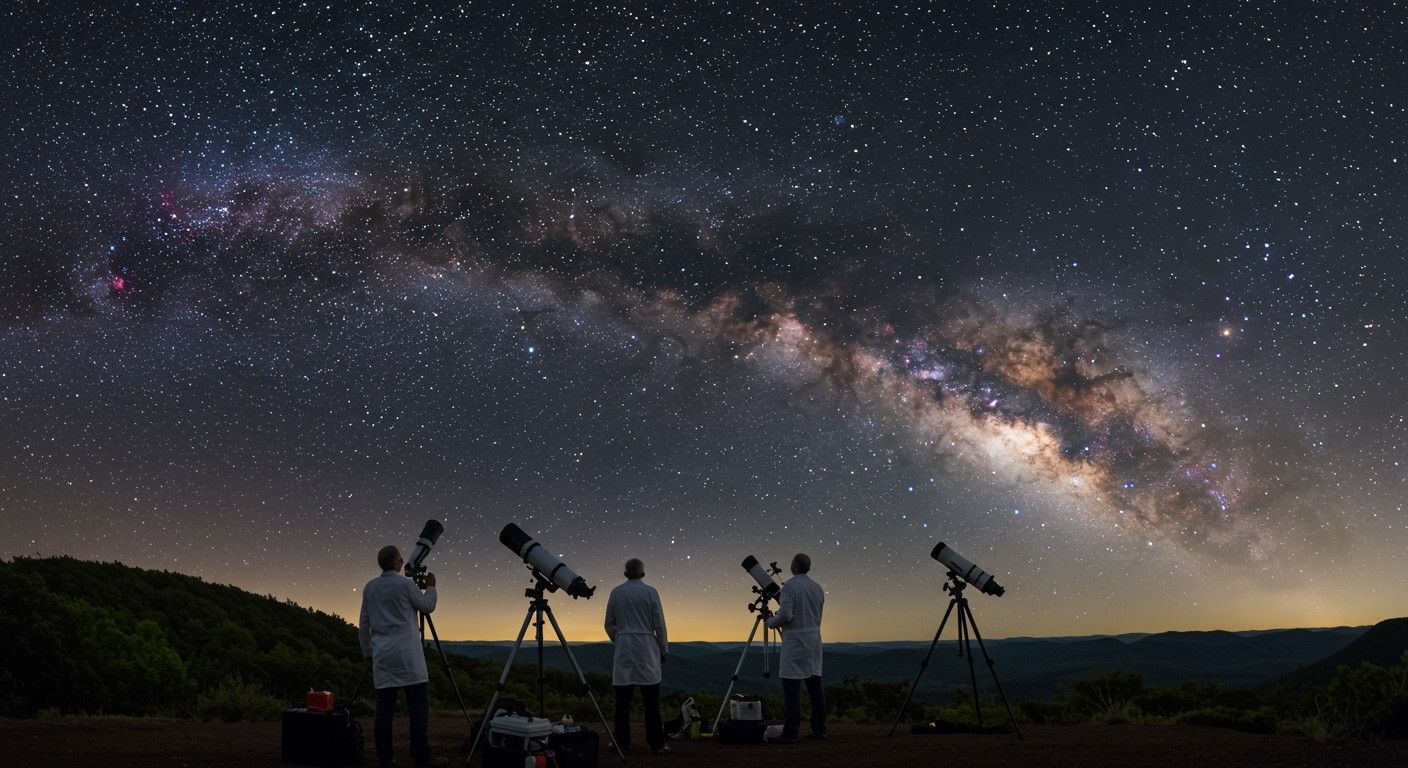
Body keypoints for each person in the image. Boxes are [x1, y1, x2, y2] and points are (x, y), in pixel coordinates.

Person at [359, 545, 448, 768]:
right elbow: (427, 607)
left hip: (383, 658)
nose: (402, 561)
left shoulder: (369, 588)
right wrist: (431, 587)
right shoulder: (406, 585)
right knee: (418, 709)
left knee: (384, 711)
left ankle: (385, 758)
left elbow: (364, 625)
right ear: (397, 563)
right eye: (400, 558)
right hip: (408, 657)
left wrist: (367, 654)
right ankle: (421, 756)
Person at [604, 558, 670, 755]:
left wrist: (620, 638)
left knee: (622, 700)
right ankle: (657, 743)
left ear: (625, 574)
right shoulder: (650, 592)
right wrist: (663, 649)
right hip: (647, 648)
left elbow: (608, 624)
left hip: (624, 649)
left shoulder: (616, 592)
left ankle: (621, 742)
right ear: (643, 573)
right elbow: (659, 624)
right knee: (651, 699)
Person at [764, 553, 826, 743]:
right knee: (815, 688)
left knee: (791, 688)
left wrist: (770, 622)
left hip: (795, 642)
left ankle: (790, 732)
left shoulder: (790, 586)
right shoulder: (817, 588)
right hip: (814, 642)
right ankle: (819, 730)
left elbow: (786, 615)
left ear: (795, 566)